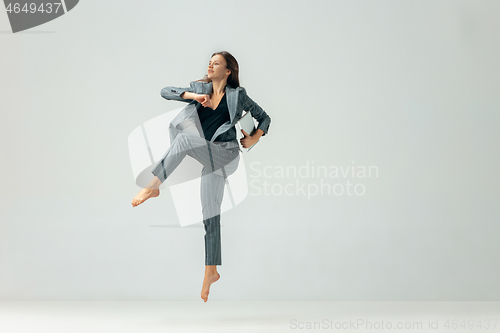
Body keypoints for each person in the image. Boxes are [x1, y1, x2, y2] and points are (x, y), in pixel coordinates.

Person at [130, 51, 271, 302]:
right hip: (210, 161)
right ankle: (211, 271)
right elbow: (166, 91)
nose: (210, 64)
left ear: (228, 71)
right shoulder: (199, 89)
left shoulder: (237, 96)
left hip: (226, 155)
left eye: (216, 63)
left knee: (184, 141)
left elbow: (265, 117)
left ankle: (153, 185)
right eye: (210, 61)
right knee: (210, 216)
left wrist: (255, 136)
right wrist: (194, 96)